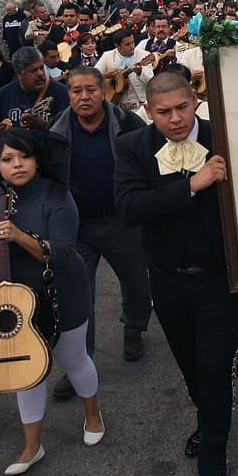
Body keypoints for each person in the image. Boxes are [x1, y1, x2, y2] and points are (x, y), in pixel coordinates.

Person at [114, 72, 238, 476]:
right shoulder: (133, 147)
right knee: (191, 369)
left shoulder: (223, 135)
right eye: (164, 112)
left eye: (182, 108)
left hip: (221, 279)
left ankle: (214, 462)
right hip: (166, 278)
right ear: (149, 111)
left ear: (195, 102)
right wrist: (191, 184)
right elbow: (130, 208)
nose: (175, 119)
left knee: (214, 369)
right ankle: (206, 421)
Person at [0, 129, 106, 475]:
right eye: (7, 159)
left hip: (64, 289)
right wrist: (1, 305)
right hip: (16, 302)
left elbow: (61, 252)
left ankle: (93, 414)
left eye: (25, 156)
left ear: (37, 160)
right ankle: (32, 445)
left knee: (72, 358)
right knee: (26, 371)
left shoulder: (56, 194)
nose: (17, 165)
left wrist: (18, 235)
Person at [44, 67, 151, 373]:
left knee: (136, 283)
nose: (84, 97)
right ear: (69, 94)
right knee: (77, 296)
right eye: (76, 91)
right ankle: (80, 363)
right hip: (78, 228)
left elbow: (147, 163)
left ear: (102, 90)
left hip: (122, 222)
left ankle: (133, 329)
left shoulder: (127, 123)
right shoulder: (56, 132)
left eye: (91, 89)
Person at [0, 46, 69, 146]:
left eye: (41, 68)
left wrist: (42, 125)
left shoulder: (61, 92)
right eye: (33, 71)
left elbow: (68, 132)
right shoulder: (3, 95)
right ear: (19, 74)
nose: (40, 74)